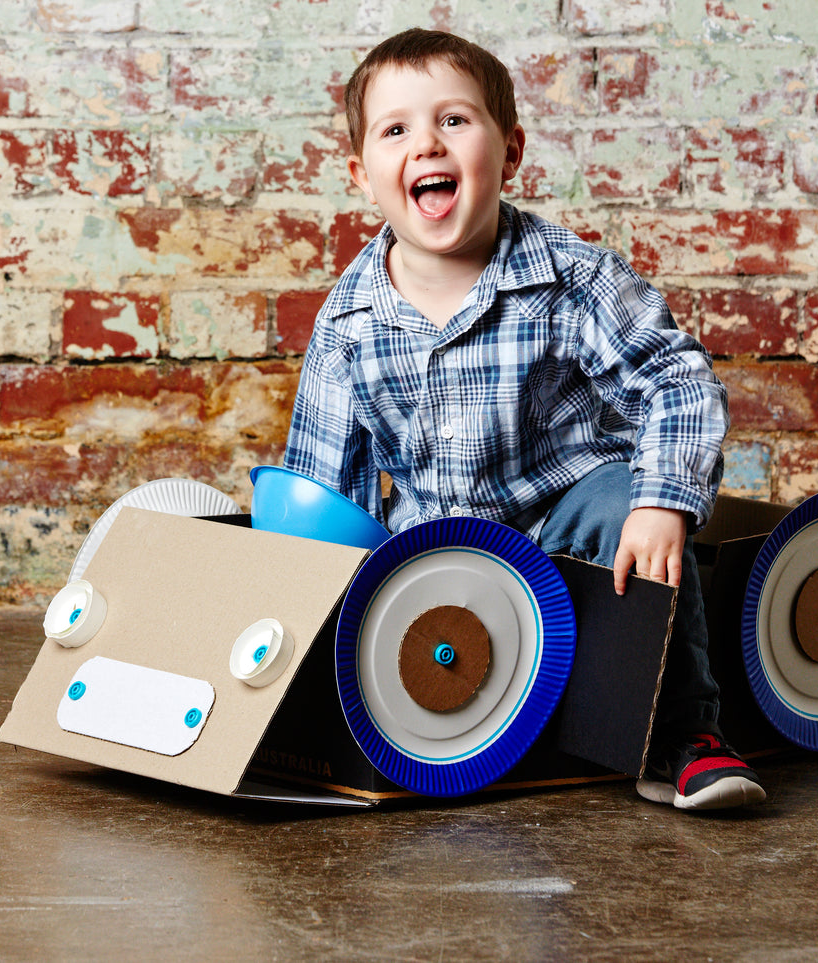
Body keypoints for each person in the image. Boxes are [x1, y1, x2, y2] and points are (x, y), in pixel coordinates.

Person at [282, 28, 766, 811]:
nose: (426, 143)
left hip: (564, 536)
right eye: (395, 129)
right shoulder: (347, 323)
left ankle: (680, 733)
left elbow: (676, 379)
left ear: (509, 151)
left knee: (622, 504)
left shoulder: (570, 279)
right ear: (361, 175)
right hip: (436, 564)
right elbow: (322, 492)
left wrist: (661, 500)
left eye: (453, 120)